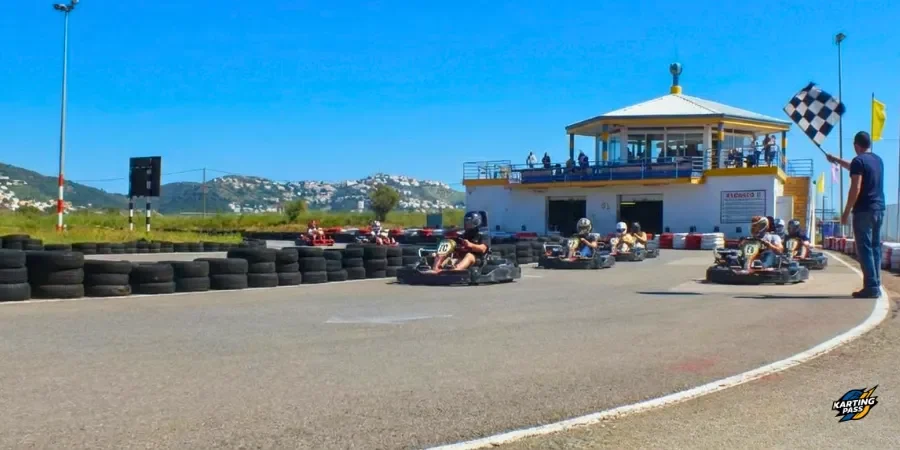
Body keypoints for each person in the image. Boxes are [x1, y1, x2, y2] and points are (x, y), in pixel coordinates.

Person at [827, 131, 885, 298]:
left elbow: (856, 187)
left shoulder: (859, 161)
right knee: (875, 248)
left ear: (855, 145)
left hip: (863, 210)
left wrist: (846, 212)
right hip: (878, 208)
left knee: (864, 248)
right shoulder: (877, 160)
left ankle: (871, 287)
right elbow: (854, 166)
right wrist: (836, 159)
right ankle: (876, 284)